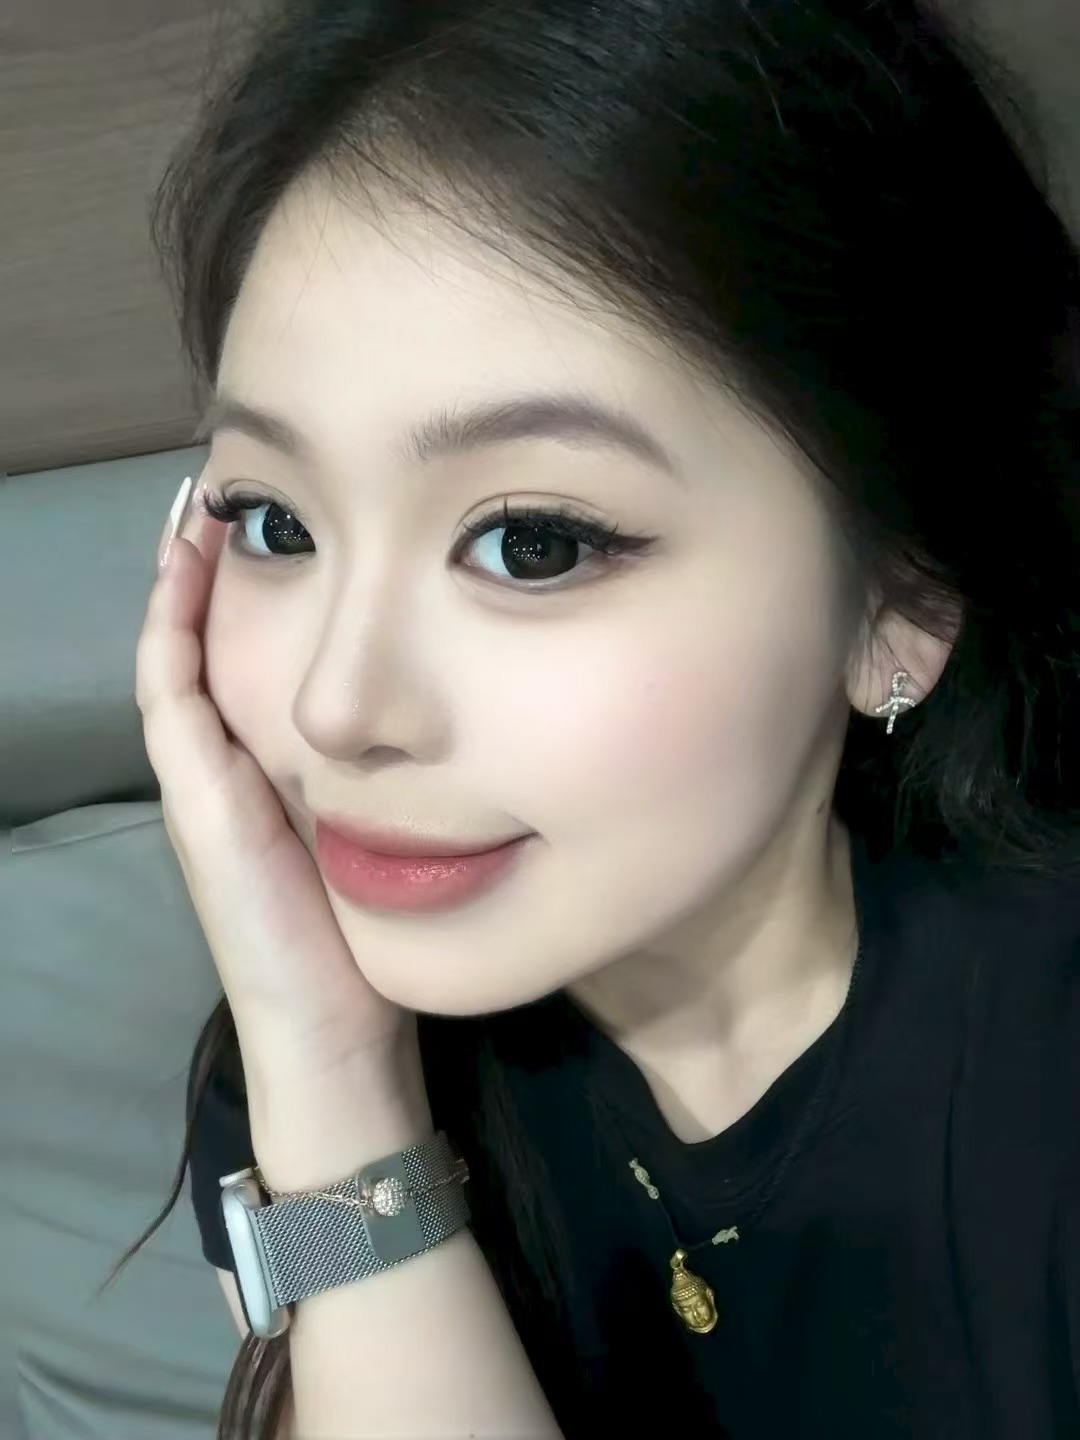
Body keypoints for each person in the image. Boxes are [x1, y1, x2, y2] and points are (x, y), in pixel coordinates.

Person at [107, 0, 1080, 1435]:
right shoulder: (315, 1035)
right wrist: (332, 1074)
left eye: (534, 544)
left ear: (900, 600)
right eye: (273, 521)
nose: (336, 706)